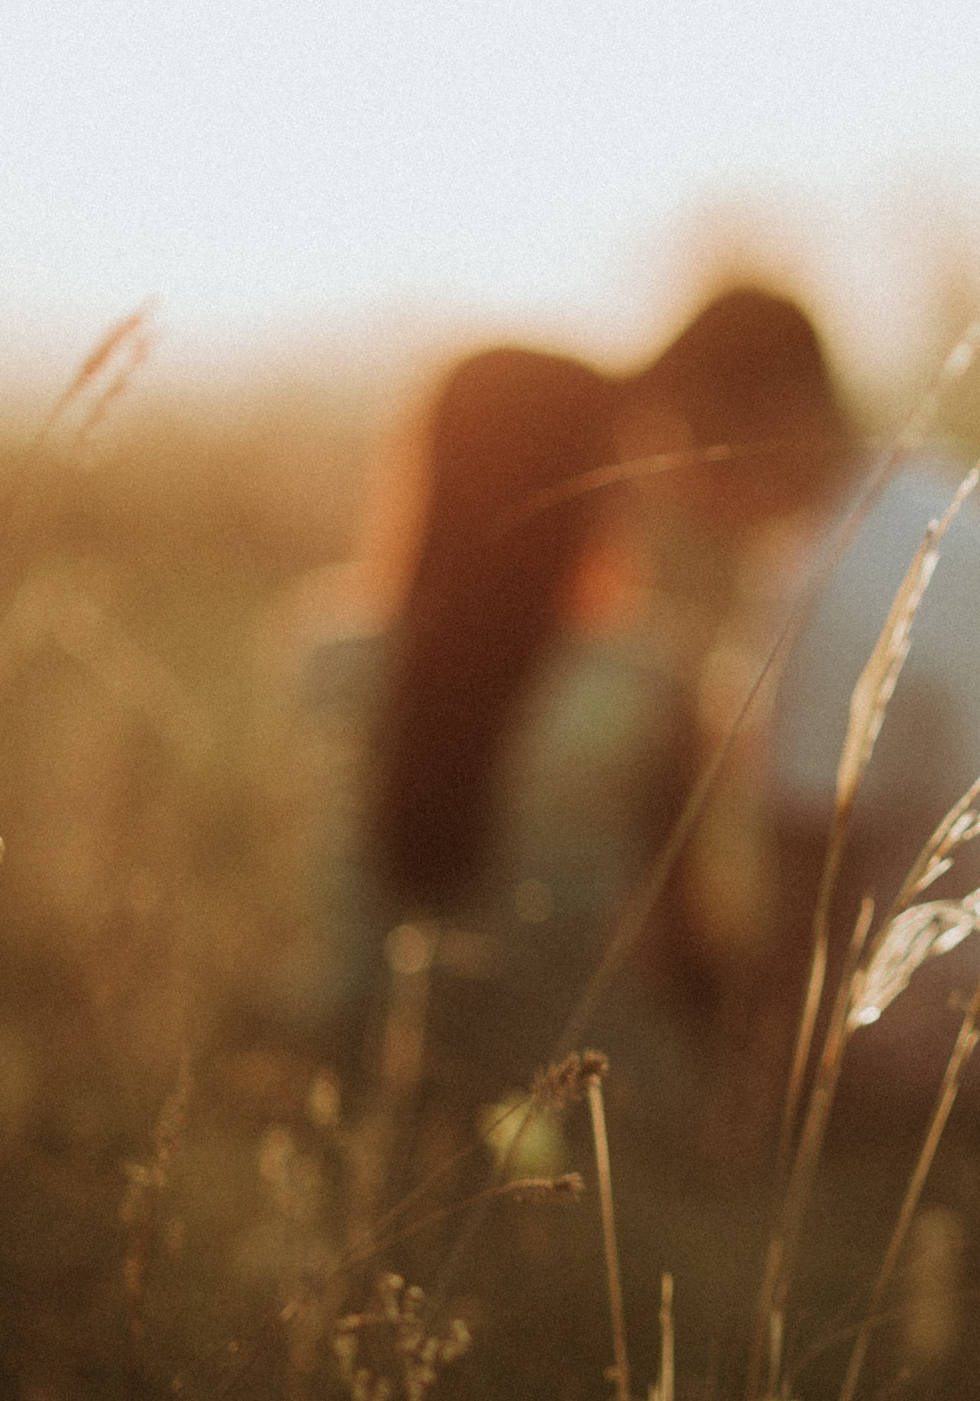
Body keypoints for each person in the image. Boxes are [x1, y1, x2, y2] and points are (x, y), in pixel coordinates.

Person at [623, 287, 980, 1134]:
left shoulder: (829, 584)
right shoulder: (961, 492)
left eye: (691, 433)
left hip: (962, 1017)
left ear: (778, 409)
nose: (679, 472)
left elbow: (807, 895)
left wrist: (754, 1110)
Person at [278, 344, 694, 1128]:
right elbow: (677, 942)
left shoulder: (326, 657)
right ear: (585, 488)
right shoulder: (640, 684)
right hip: (584, 1089)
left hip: (366, 1060)